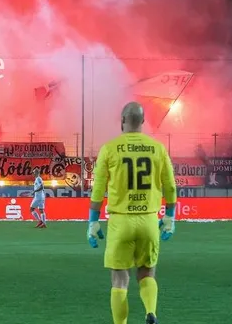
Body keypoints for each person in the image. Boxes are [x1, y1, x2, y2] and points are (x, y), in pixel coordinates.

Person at [88, 102, 177, 324]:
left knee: (119, 279)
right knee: (147, 272)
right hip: (148, 220)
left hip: (120, 221)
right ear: (143, 122)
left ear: (122, 121)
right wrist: (170, 216)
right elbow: (170, 186)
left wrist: (93, 221)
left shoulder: (110, 148)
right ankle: (150, 311)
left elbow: (98, 189)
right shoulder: (157, 148)